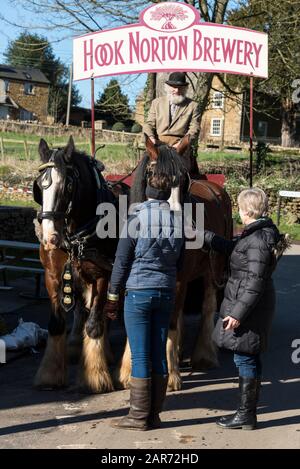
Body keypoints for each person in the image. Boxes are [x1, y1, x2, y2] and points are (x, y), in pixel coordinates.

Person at [103, 172, 185, 431]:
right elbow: (180, 264)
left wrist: (112, 298)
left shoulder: (135, 219)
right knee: (159, 353)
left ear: (147, 193)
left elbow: (121, 262)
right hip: (166, 293)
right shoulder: (179, 223)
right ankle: (154, 415)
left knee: (140, 356)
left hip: (138, 293)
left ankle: (137, 416)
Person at [204, 188, 287, 430]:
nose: (238, 212)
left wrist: (237, 315)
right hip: (251, 305)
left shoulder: (258, 239)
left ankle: (245, 415)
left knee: (246, 358)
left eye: (239, 208)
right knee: (247, 357)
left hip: (250, 308)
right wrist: (207, 237)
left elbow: (254, 283)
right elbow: (236, 249)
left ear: (247, 210)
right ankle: (246, 414)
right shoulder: (256, 234)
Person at [143, 72, 200, 175]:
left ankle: (177, 190)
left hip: (180, 146)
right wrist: (151, 138)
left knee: (177, 173)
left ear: (185, 88)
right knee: (144, 170)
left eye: (180, 87)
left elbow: (194, 129)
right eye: (174, 87)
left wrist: (181, 144)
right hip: (158, 144)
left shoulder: (193, 106)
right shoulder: (156, 103)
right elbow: (148, 124)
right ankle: (140, 191)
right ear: (167, 87)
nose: (177, 90)